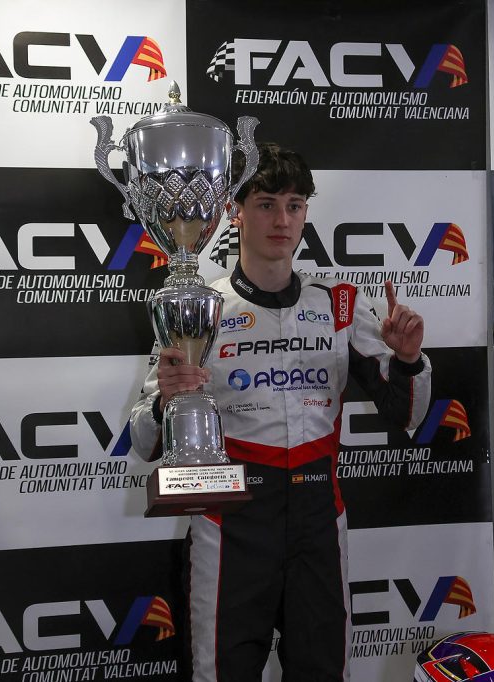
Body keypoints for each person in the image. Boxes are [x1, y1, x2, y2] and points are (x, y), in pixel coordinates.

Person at [129, 143, 431, 681]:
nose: (282, 220)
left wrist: (408, 360)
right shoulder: (200, 307)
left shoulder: (338, 304)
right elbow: (143, 440)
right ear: (236, 212)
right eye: (266, 204)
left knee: (322, 672)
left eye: (294, 205)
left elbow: (405, 414)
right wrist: (165, 400)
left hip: (319, 520)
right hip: (231, 522)